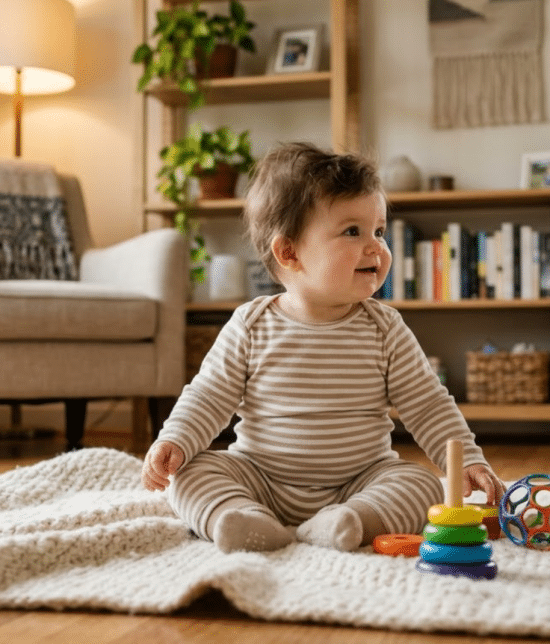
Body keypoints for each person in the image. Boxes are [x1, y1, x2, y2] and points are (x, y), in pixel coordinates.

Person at [142, 142, 506, 553]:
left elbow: (427, 404)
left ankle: (349, 521)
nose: (376, 247)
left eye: (379, 231)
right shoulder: (251, 324)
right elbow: (208, 395)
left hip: (360, 480)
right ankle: (242, 517)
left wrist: (467, 460)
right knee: (191, 474)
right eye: (353, 231)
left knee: (421, 484)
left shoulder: (385, 328)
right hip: (260, 477)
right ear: (289, 252)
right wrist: (175, 440)